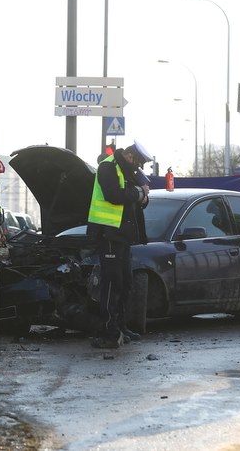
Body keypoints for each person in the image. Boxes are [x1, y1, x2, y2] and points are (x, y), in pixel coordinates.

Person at [87, 140, 151, 349]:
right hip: (109, 233)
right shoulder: (108, 167)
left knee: (124, 283)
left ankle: (121, 327)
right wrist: (139, 193)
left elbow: (139, 196)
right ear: (129, 155)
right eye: (137, 162)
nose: (138, 167)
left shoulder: (126, 170)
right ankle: (109, 333)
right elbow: (114, 195)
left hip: (123, 235)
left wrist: (142, 196)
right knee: (112, 283)